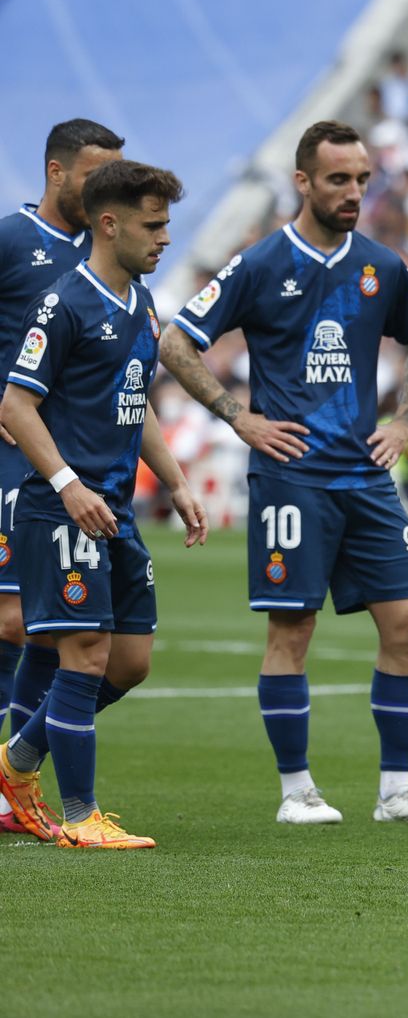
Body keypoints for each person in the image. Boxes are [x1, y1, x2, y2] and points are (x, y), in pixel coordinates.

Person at [158, 121, 408, 826]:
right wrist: (239, 416)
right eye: (338, 180)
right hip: (291, 476)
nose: (354, 192)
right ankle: (297, 791)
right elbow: (176, 341)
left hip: (363, 474)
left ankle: (397, 791)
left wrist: (405, 421)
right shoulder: (261, 263)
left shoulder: (382, 267)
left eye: (361, 179)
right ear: (303, 182)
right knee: (292, 632)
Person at [0, 160, 207, 848]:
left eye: (168, 224)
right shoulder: (65, 302)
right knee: (84, 655)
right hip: (62, 509)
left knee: (129, 663)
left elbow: (133, 401)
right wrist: (67, 484)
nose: (165, 238)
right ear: (109, 223)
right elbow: (16, 404)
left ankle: (16, 760)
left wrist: (175, 481)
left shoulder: (139, 302)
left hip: (112, 509)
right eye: (154, 225)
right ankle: (83, 815)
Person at [0, 120, 123, 835]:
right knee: (15, 621)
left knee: (53, 633)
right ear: (56, 172)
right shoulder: (14, 241)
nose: (107, 189)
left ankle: (15, 777)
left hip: (68, 462)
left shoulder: (104, 257)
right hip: (13, 453)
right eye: (95, 175)